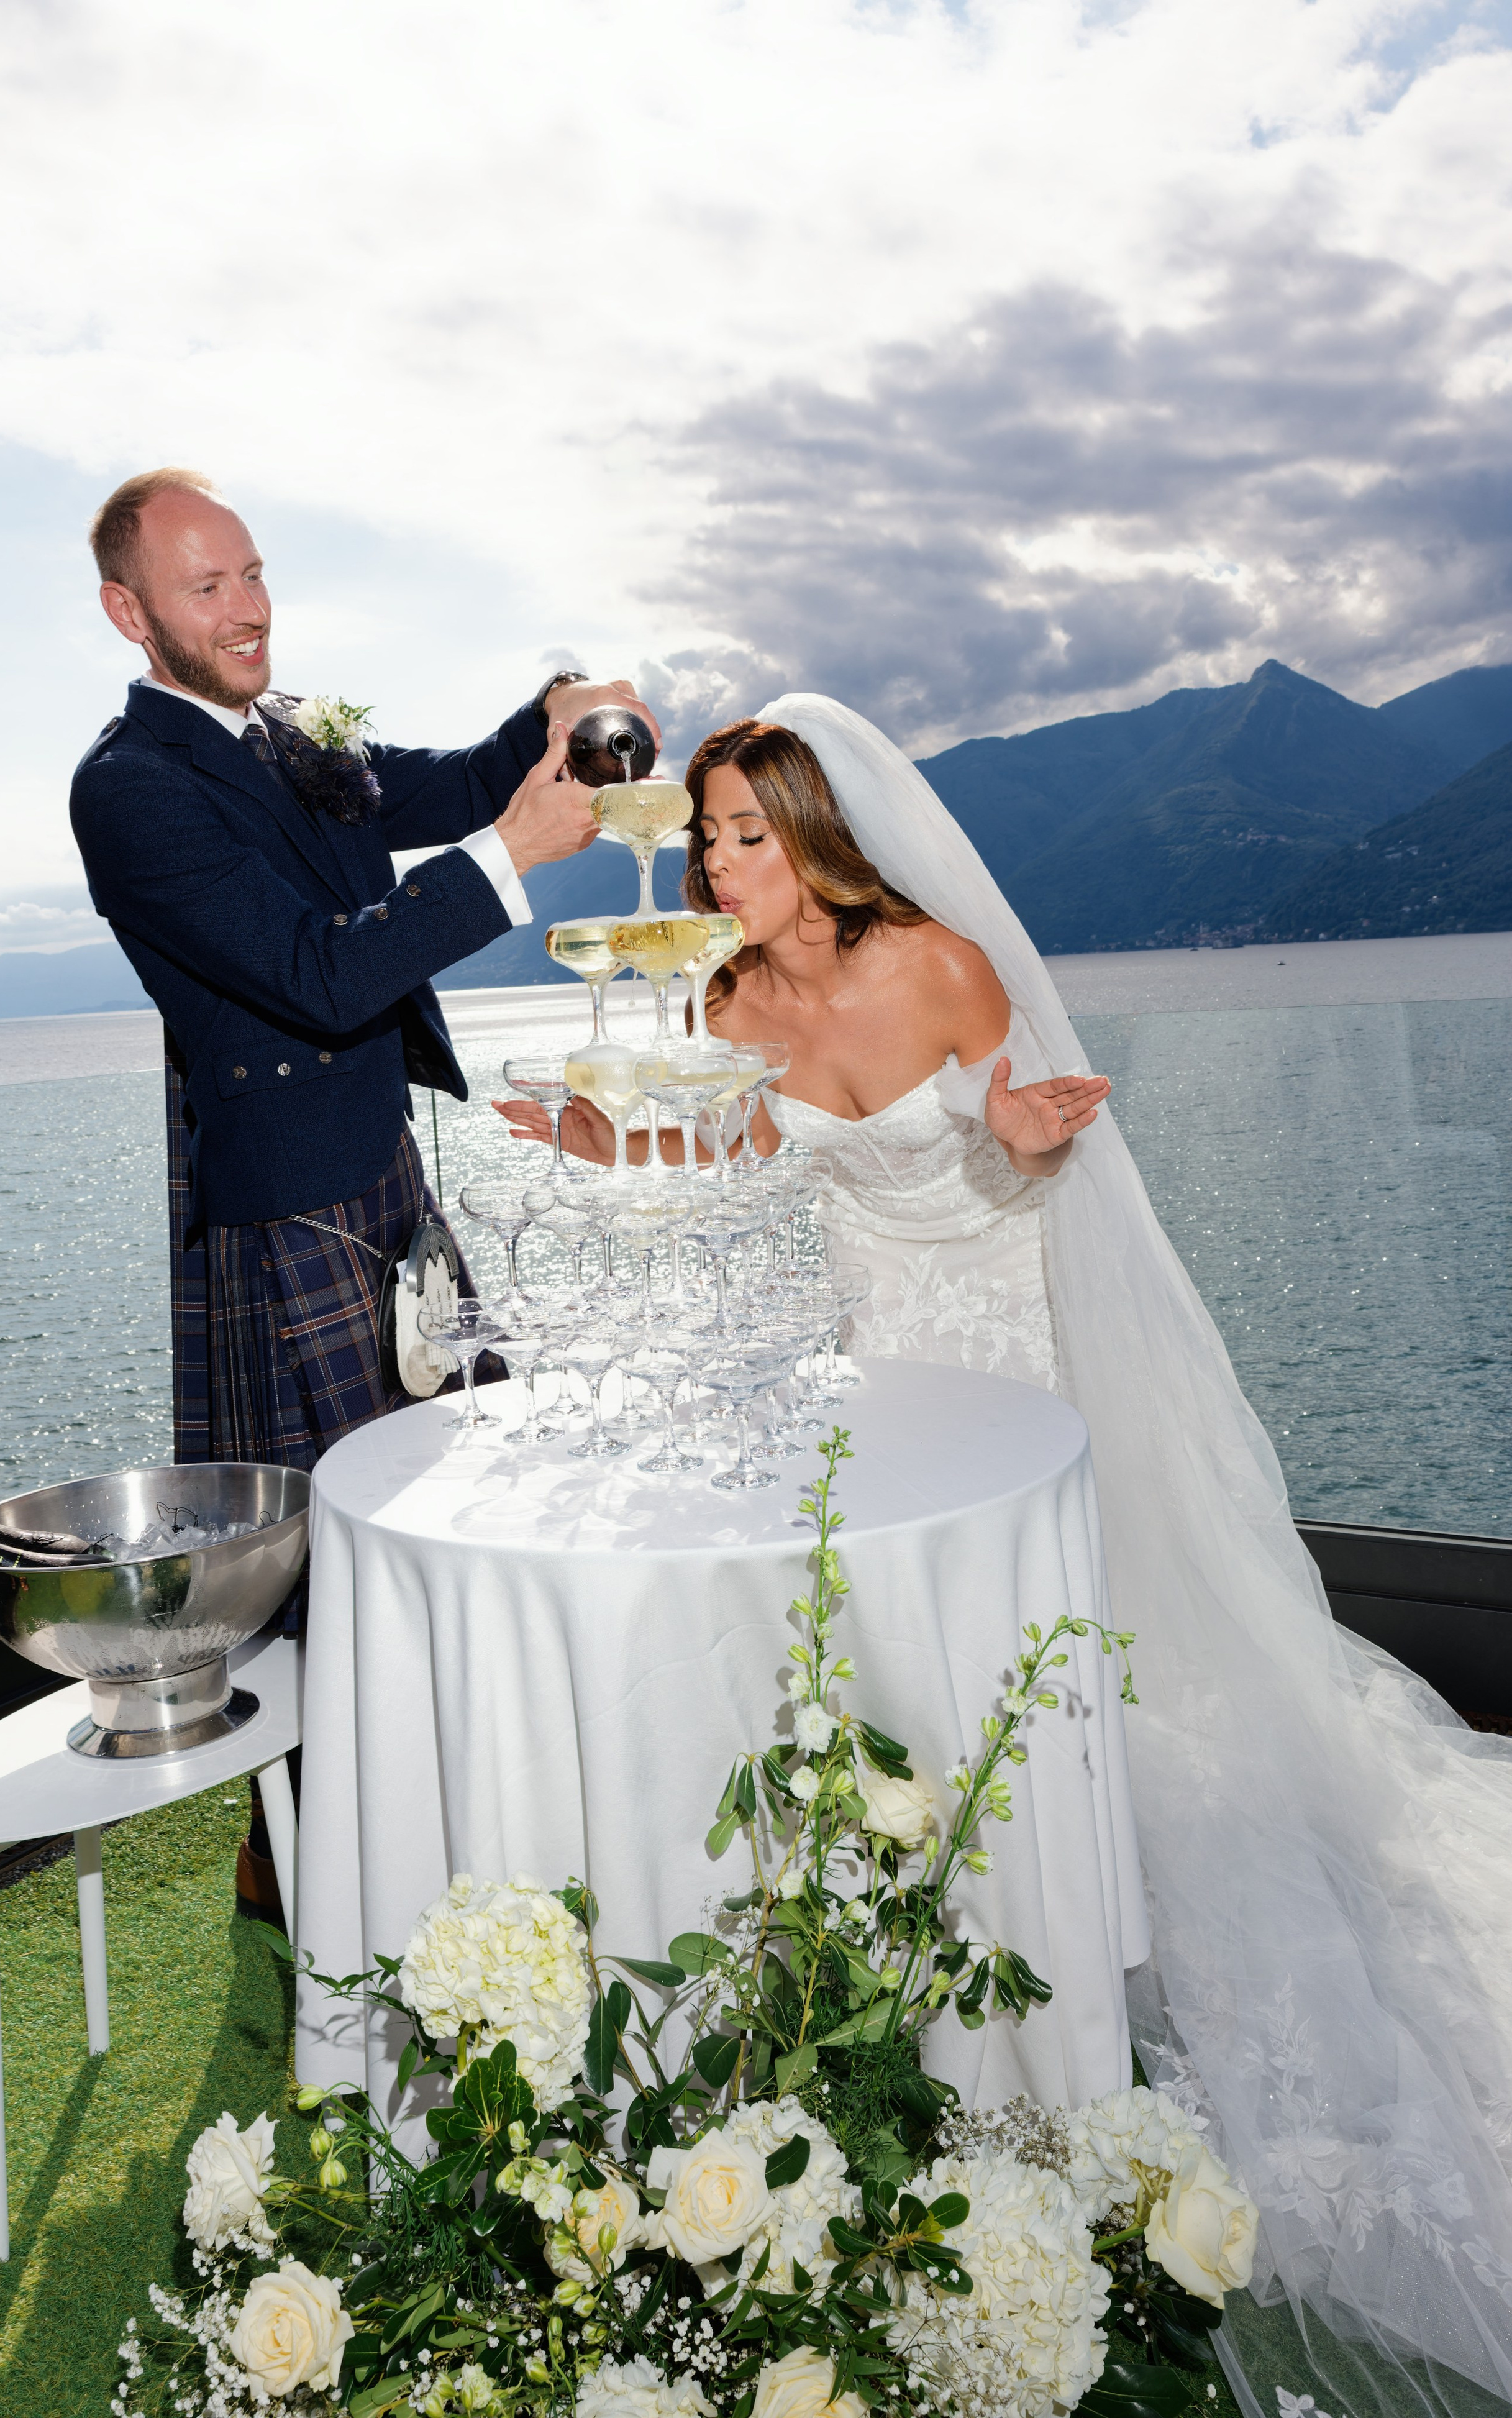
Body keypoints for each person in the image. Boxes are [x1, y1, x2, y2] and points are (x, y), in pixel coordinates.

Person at [499, 696, 1512, 2418]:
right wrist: (602, 1137)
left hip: (1006, 1373)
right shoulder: (721, 998)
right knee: (884, 1698)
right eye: (713, 836)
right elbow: (738, 1155)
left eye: (750, 833)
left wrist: (1029, 1143)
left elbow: (1023, 1149)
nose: (721, 863)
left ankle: (1068, 1953)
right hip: (859, 1393)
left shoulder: (946, 965)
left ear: (819, 838)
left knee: (1068, 1710)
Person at [70, 463, 657, 1908]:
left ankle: (449, 1804)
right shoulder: (130, 788)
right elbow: (321, 976)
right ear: (127, 611)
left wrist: (556, 704)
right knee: (335, 1546)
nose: (249, 608)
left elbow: (453, 781)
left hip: (381, 1168)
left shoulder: (288, 732)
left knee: (457, 1488)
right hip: (283, 1203)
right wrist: (512, 857)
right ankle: (322, 1855)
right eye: (208, 587)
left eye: (255, 572)